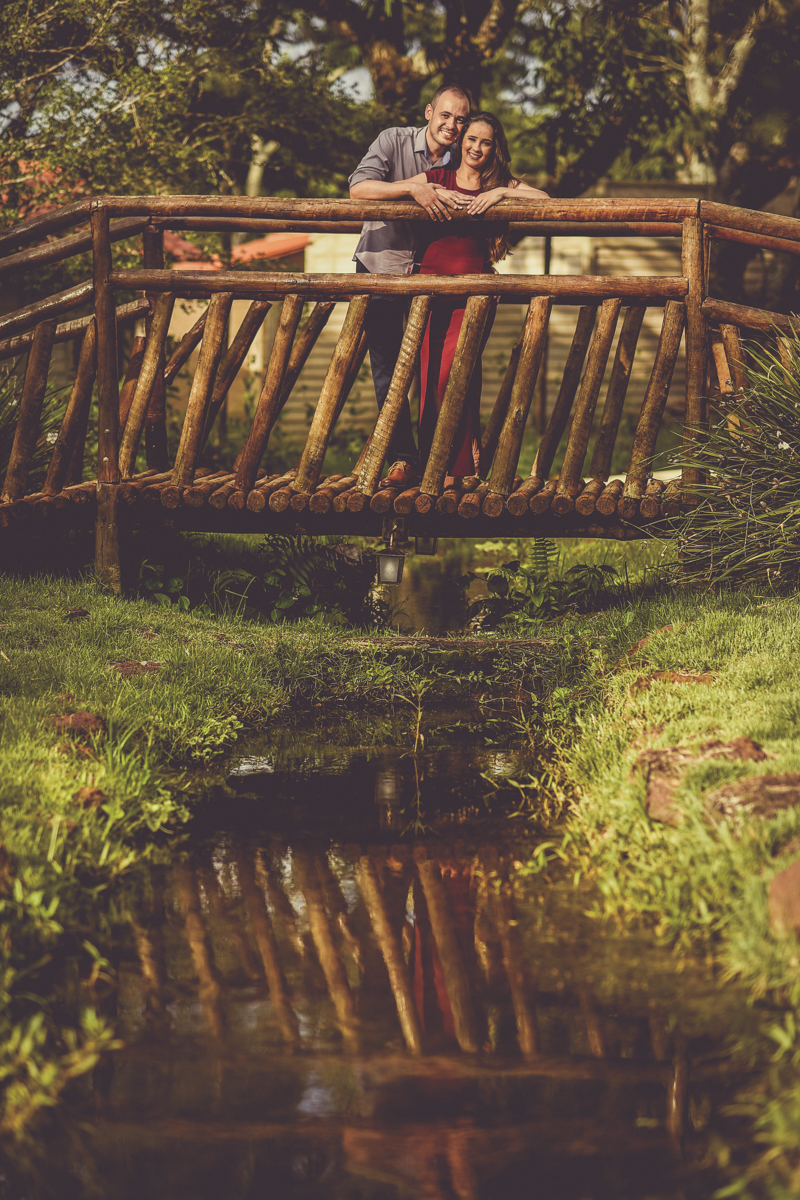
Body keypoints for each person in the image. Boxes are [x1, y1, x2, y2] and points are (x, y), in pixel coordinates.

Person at [405, 112, 549, 480]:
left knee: (455, 374)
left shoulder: (498, 184)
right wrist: (419, 190)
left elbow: (545, 200)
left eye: (486, 142)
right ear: (460, 140)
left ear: (494, 148)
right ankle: (432, 468)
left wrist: (502, 193)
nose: (476, 147)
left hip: (473, 296)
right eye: (471, 139)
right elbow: (387, 188)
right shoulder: (437, 177)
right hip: (428, 290)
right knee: (429, 380)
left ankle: (461, 469)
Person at [348, 86, 472, 490]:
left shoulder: (463, 159)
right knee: (388, 369)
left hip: (431, 274)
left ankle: (443, 458)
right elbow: (358, 189)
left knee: (436, 368)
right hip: (381, 268)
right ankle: (403, 458)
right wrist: (412, 187)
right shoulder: (393, 140)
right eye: (446, 115)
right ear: (429, 112)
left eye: (461, 119)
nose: (452, 125)